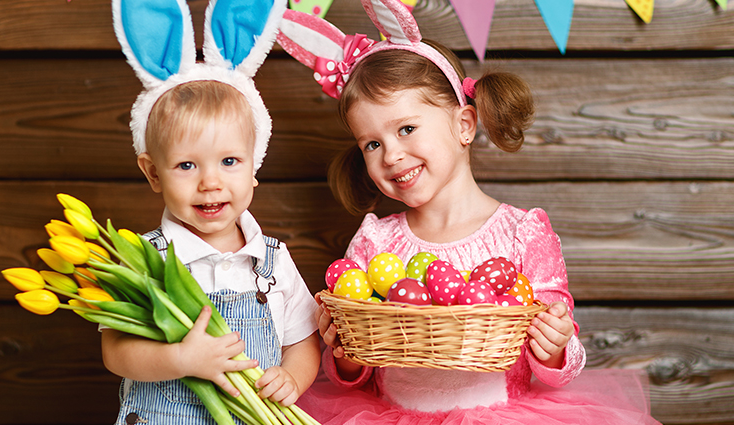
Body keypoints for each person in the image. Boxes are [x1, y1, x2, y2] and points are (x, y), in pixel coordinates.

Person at [278, 0, 661, 423]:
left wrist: (554, 347)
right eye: (372, 143)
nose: (391, 155)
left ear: (464, 125)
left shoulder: (521, 233)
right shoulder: (374, 240)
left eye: (406, 129)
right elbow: (354, 374)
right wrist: (345, 353)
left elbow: (561, 365)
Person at [103, 0, 319, 423]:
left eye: (229, 162)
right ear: (153, 173)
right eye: (187, 165)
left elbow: (302, 340)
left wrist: (293, 377)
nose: (210, 183)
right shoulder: (144, 258)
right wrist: (181, 359)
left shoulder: (272, 261)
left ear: (254, 164)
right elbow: (116, 351)